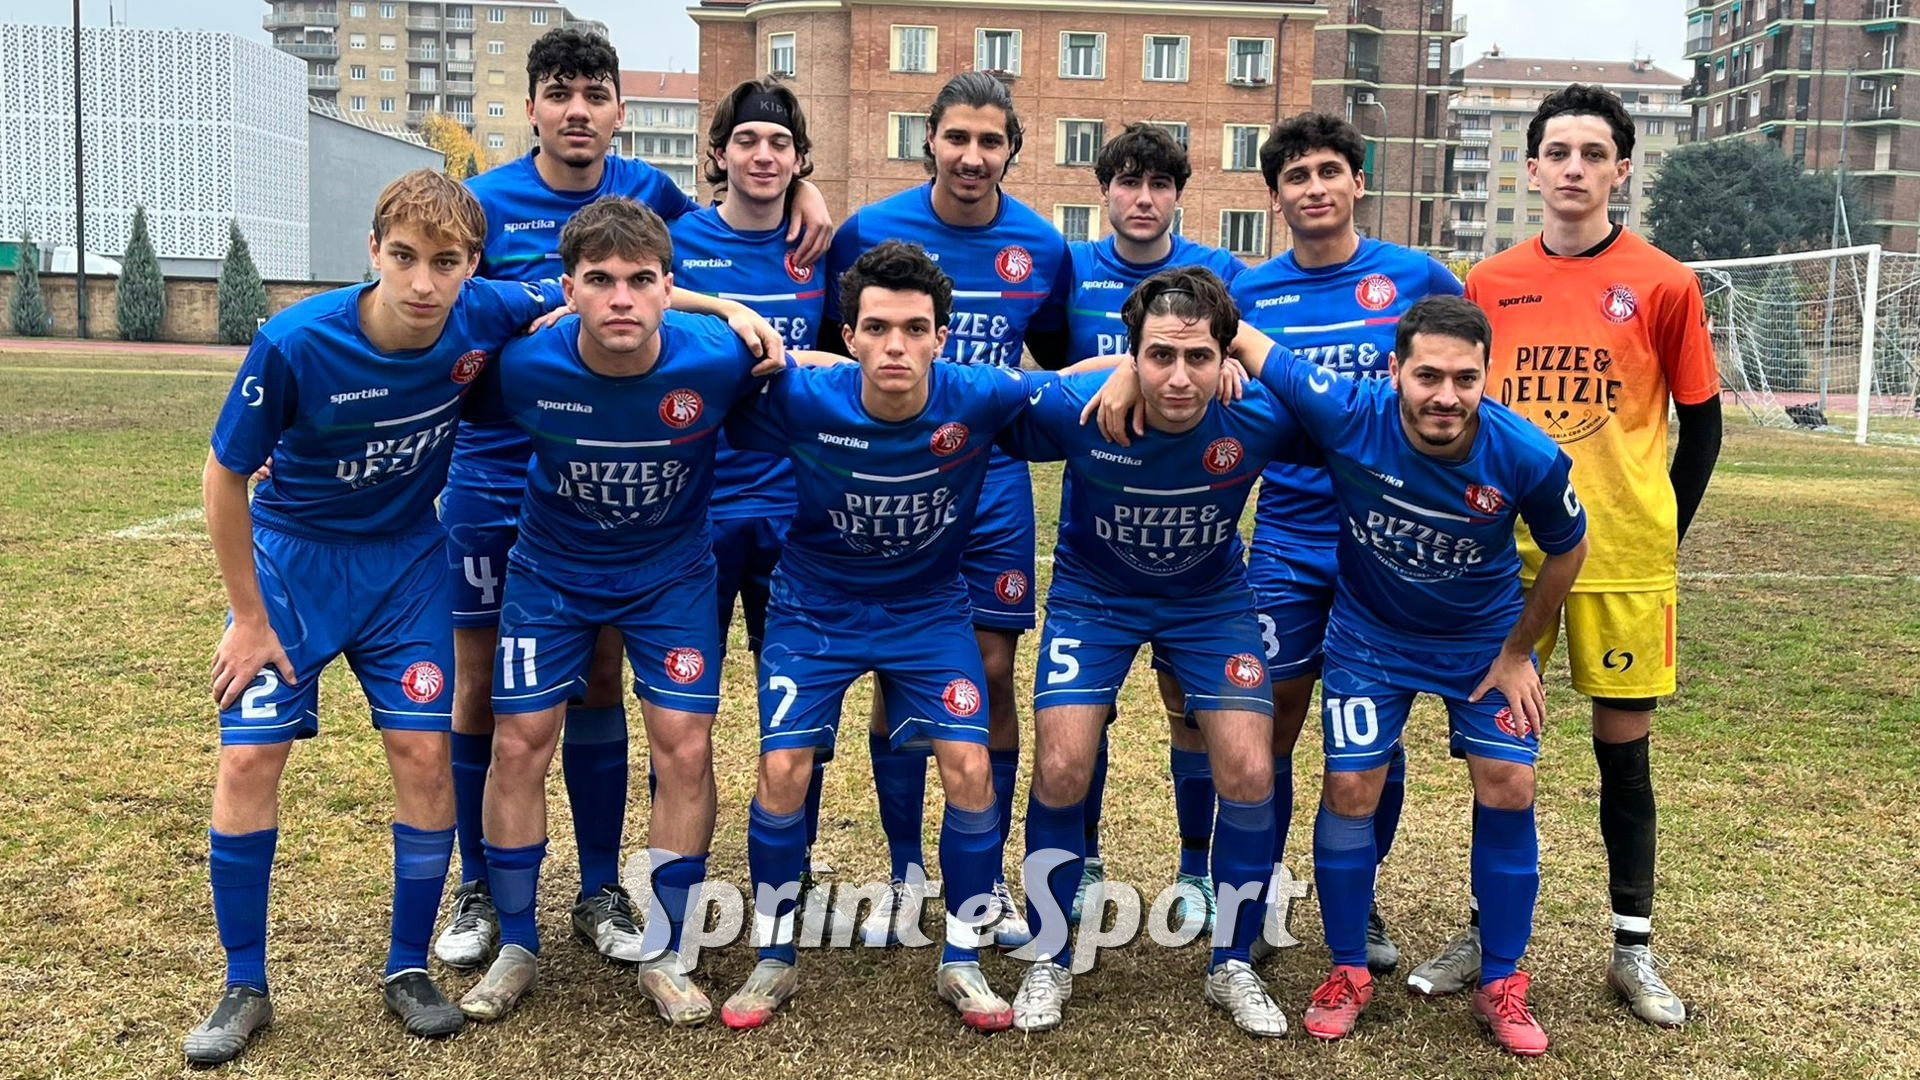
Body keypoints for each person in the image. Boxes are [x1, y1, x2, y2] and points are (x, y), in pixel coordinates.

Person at [1100, 295, 1587, 1056]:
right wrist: (1131, 367)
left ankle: (1501, 981)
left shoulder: (1526, 453)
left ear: (1487, 377)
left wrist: (1519, 651)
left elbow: (1569, 546)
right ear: (1395, 372)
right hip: (1370, 637)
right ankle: (1348, 969)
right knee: (1350, 786)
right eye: (1427, 376)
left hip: (1477, 640)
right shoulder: (1350, 411)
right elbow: (1237, 336)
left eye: (1465, 379)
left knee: (1510, 783)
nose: (1446, 396)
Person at [436, 29, 826, 970]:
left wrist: (795, 208)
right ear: (532, 105)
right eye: (558, 93)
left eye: (595, 94)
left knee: (605, 678)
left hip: (625, 473)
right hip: (501, 468)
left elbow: (699, 246)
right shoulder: (481, 203)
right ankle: (481, 883)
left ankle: (604, 884)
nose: (577, 110)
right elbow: (435, 327)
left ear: (618, 110)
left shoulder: (650, 194)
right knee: (487, 690)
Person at [183, 170, 563, 1066]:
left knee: (423, 755)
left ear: (474, 265)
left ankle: (406, 966)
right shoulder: (295, 341)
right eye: (404, 257)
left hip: (406, 566)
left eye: (446, 262)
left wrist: (728, 312)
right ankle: (243, 983)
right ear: (373, 253)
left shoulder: (485, 311)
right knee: (248, 756)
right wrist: (247, 617)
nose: (424, 283)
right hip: (294, 566)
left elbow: (600, 286)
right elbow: (223, 476)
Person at [718, 241, 1114, 1032]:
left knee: (969, 765)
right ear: (850, 336)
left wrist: (1133, 364)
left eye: (913, 329)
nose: (895, 345)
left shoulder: (978, 393)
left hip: (927, 610)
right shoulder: (802, 394)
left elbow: (1069, 381)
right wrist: (729, 317)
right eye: (876, 328)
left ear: (941, 337)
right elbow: (690, 373)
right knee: (783, 768)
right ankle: (773, 955)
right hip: (815, 609)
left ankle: (962, 958)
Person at [452, 197, 802, 1028]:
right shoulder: (522, 364)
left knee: (685, 745)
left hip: (669, 578)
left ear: (667, 289)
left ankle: (668, 950)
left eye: (641, 280)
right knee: (519, 741)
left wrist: (737, 312)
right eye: (600, 280)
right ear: (567, 289)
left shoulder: (716, 357)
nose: (621, 298)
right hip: (551, 575)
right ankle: (516, 943)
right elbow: (422, 395)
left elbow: (816, 380)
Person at [1419, 82, 1720, 1028]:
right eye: (1559, 152)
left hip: (1623, 559)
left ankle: (1633, 948)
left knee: (1622, 756)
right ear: (1532, 167)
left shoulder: (1664, 282)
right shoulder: (1487, 281)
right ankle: (1487, 933)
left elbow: (1702, 425)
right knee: (1499, 755)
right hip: (1507, 560)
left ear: (1622, 170)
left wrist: (1662, 529)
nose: (1575, 169)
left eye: (1595, 154)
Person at [1001, 266, 1314, 1037]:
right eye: (1160, 356)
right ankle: (1049, 954)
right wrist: (1105, 372)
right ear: (1132, 354)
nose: (1179, 377)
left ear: (1225, 356)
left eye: (1198, 357)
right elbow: (971, 399)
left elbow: (1357, 416)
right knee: (1062, 764)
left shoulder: (1257, 412)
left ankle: (1231, 963)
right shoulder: (1081, 404)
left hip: (1210, 601)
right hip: (1094, 598)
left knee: (1250, 768)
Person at [819, 72, 1070, 949]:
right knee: (898, 670)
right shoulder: (866, 231)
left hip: (991, 489)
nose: (971, 156)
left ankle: (984, 877)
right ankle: (904, 872)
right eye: (956, 137)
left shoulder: (1042, 246)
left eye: (990, 141)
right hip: (894, 487)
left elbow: (1055, 370)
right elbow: (826, 356)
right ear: (929, 139)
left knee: (992, 674)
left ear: (1013, 149)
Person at [1227, 111, 1465, 971]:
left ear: (1358, 181)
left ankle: (1355, 901)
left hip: (1389, 543)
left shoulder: (1417, 276)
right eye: (1296, 176)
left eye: (1330, 170)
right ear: (1275, 196)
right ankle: (1259, 892)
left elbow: (1461, 385)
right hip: (1289, 537)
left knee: (1371, 735)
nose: (1315, 187)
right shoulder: (1248, 295)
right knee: (1270, 722)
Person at [1057, 123, 1248, 931]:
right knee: (1084, 713)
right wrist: (1120, 373)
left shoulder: (1221, 271)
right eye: (1128, 182)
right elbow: (1052, 376)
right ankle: (1084, 856)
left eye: (1159, 184)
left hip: (1196, 531)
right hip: (1101, 525)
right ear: (1103, 191)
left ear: (1179, 195)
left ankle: (1196, 866)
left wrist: (1211, 367)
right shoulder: (1070, 268)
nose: (1143, 198)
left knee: (1189, 705)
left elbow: (1244, 355)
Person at [668, 77, 831, 884]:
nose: (762, 155)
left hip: (798, 506)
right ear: (719, 153)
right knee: (683, 705)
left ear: (799, 160)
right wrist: (727, 309)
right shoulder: (679, 239)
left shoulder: (821, 247)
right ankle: (679, 866)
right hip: (697, 504)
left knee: (797, 695)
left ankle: (792, 857)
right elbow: (638, 286)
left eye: (779, 143)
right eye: (746, 141)